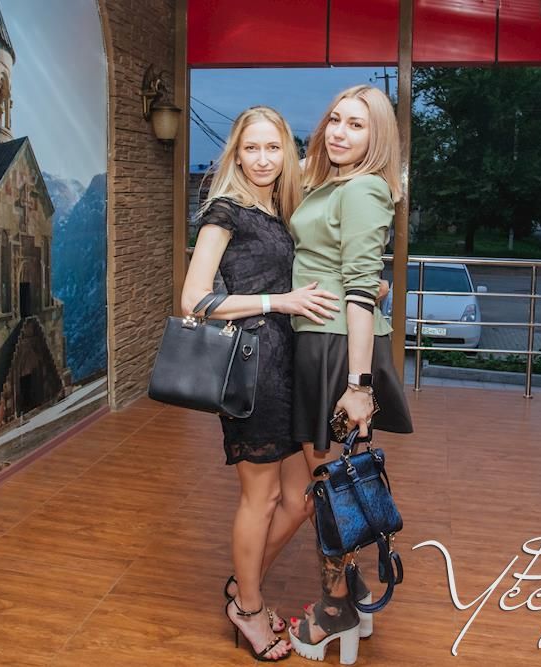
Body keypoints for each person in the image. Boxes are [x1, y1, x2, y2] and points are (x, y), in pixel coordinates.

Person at [180, 106, 341, 662]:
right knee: (263, 496)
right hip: (252, 368)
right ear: (236, 153)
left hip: (290, 365)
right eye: (252, 148)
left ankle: (240, 588)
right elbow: (195, 299)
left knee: (300, 500)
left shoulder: (279, 210)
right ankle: (249, 607)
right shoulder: (226, 210)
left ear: (287, 153)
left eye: (273, 147)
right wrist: (279, 302)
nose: (263, 158)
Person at [287, 85, 414, 665]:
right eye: (334, 119)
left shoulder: (363, 188)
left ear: (377, 137)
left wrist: (359, 388)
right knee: (334, 479)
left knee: (329, 485)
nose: (339, 132)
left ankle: (334, 610)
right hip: (323, 341)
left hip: (337, 348)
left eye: (356, 125)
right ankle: (356, 595)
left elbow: (362, 291)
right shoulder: (334, 183)